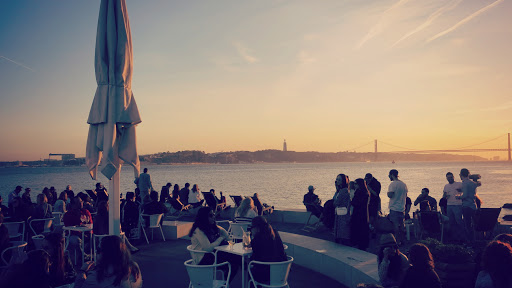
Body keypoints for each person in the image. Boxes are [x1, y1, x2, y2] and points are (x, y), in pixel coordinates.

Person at [188, 207, 239, 282]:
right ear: (204, 217)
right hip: (202, 260)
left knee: (234, 264)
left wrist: (224, 234)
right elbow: (208, 248)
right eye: (211, 215)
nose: (213, 217)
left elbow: (229, 239)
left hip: (211, 256)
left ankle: (225, 284)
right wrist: (220, 239)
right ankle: (225, 284)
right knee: (234, 261)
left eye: (214, 214)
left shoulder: (213, 228)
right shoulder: (198, 230)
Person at [74, 235, 142, 288]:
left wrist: (82, 272)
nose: (96, 253)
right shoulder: (134, 268)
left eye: (98, 250)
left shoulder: (97, 277)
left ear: (104, 253)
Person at [250, 216, 287, 284]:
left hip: (266, 275)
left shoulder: (257, 240)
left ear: (256, 227)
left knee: (250, 271)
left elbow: (255, 258)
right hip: (281, 273)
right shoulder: (275, 233)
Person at [459, 168, 480, 242]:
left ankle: (469, 242)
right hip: (473, 206)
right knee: (472, 224)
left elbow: (465, 196)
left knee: (467, 225)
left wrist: (458, 197)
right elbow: (472, 193)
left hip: (466, 206)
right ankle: (474, 240)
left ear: (461, 175)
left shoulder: (464, 183)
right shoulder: (473, 183)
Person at [387, 169, 408, 244]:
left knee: (395, 225)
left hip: (394, 208)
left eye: (389, 175)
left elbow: (390, 195)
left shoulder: (393, 184)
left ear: (392, 175)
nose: (388, 176)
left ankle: (396, 240)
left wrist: (387, 193)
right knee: (402, 225)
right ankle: (402, 240)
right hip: (402, 208)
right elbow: (405, 195)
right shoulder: (403, 184)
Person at [351, 178, 370, 251]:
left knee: (357, 228)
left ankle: (357, 243)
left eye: (355, 184)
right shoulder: (366, 192)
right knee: (363, 230)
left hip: (358, 213)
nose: (354, 185)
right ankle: (363, 245)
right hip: (364, 213)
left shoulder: (359, 192)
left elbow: (354, 203)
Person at [334, 173, 351, 245]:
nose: (337, 181)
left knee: (342, 231)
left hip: (342, 213)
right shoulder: (343, 190)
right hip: (342, 212)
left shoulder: (343, 191)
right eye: (337, 179)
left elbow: (336, 202)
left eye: (339, 180)